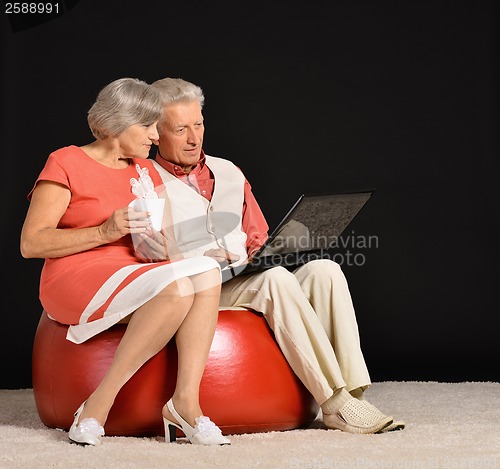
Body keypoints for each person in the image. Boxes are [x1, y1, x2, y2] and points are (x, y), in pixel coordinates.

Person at [149, 77, 405, 434]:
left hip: (245, 275)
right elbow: (147, 258)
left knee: (323, 270)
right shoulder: (145, 181)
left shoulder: (229, 171)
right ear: (156, 132)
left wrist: (279, 249)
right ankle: (334, 404)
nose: (194, 138)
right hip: (199, 292)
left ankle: (355, 394)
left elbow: (258, 238)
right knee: (274, 279)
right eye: (180, 129)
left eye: (199, 125)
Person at [20, 78, 231, 446]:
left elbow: (162, 248)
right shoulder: (66, 160)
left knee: (202, 272)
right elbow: (31, 242)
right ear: (120, 123)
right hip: (75, 276)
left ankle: (185, 403)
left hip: (136, 272)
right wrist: (104, 231)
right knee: (179, 286)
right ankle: (98, 404)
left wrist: (175, 248)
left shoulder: (144, 171)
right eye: (149, 126)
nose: (155, 136)